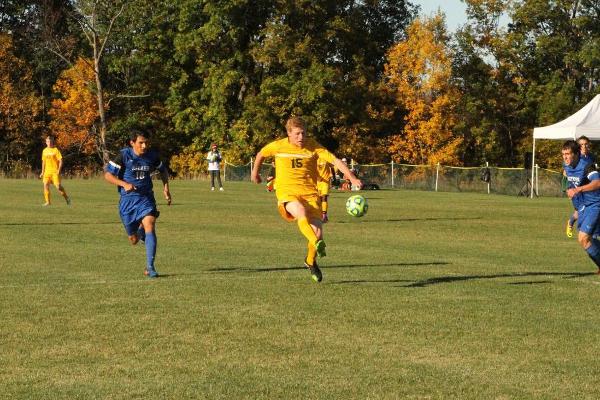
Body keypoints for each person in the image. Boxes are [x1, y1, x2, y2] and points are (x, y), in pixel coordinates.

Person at [251, 116, 362, 282]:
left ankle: (310, 261)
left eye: (303, 133)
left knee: (318, 231)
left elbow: (335, 160)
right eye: (297, 134)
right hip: (287, 193)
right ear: (288, 133)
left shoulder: (313, 146)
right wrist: (255, 173)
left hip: (310, 194)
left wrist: (351, 178)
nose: (301, 137)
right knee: (301, 213)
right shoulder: (278, 146)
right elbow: (261, 154)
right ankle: (316, 242)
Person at [104, 129, 172, 278]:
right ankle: (140, 235)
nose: (144, 146)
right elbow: (108, 175)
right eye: (141, 143)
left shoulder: (152, 156)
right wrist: (124, 184)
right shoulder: (123, 155)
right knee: (133, 240)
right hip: (128, 202)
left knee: (150, 224)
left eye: (146, 142)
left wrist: (166, 188)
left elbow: (163, 170)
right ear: (132, 143)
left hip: (146, 198)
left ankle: (150, 267)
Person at [563, 140, 600, 274]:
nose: (565, 157)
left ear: (576, 154)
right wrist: (569, 189)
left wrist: (578, 189)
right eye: (563, 154)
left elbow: (597, 182)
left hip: (595, 204)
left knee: (583, 238)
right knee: (586, 239)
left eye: (568, 154)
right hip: (584, 205)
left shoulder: (587, 165)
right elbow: (569, 179)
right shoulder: (566, 166)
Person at [566, 136, 595, 238]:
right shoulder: (575, 159)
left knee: (583, 212)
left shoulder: (591, 157)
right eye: (581, 144)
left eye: (586, 144)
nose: (584, 146)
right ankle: (571, 223)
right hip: (577, 192)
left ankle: (590, 234)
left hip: (588, 191)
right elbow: (567, 173)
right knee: (579, 213)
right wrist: (569, 188)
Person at [40, 135, 71, 206]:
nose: (49, 143)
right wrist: (42, 172)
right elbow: (43, 162)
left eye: (50, 141)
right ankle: (48, 202)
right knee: (45, 185)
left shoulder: (56, 150)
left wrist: (58, 170)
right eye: (48, 141)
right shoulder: (44, 151)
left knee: (58, 187)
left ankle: (67, 198)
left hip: (54, 172)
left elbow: (61, 160)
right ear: (46, 142)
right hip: (47, 172)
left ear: (52, 142)